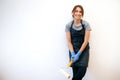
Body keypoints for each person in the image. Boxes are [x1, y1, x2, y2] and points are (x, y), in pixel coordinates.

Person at [65, 5, 91, 80]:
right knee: (75, 73)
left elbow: (86, 41)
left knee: (82, 71)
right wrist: (73, 54)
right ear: (72, 13)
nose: (78, 13)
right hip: (73, 49)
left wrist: (79, 54)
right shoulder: (68, 25)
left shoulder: (86, 24)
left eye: (80, 11)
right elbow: (69, 42)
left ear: (82, 14)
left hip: (84, 51)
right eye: (76, 11)